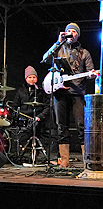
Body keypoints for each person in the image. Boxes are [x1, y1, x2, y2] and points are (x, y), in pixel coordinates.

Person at [41, 23, 95, 168]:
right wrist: (58, 42)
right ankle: (64, 160)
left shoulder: (84, 53)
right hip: (59, 93)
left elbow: (91, 73)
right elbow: (45, 59)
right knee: (61, 126)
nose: (70, 33)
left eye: (73, 31)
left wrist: (93, 75)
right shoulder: (58, 49)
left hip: (77, 93)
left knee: (81, 126)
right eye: (68, 31)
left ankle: (86, 160)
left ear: (78, 34)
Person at [12, 66, 54, 162]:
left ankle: (36, 156)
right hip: (24, 118)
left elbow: (47, 107)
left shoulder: (40, 90)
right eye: (29, 77)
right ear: (26, 78)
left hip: (38, 119)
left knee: (39, 130)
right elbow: (15, 106)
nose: (32, 79)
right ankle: (21, 155)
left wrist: (40, 117)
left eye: (34, 77)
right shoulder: (21, 91)